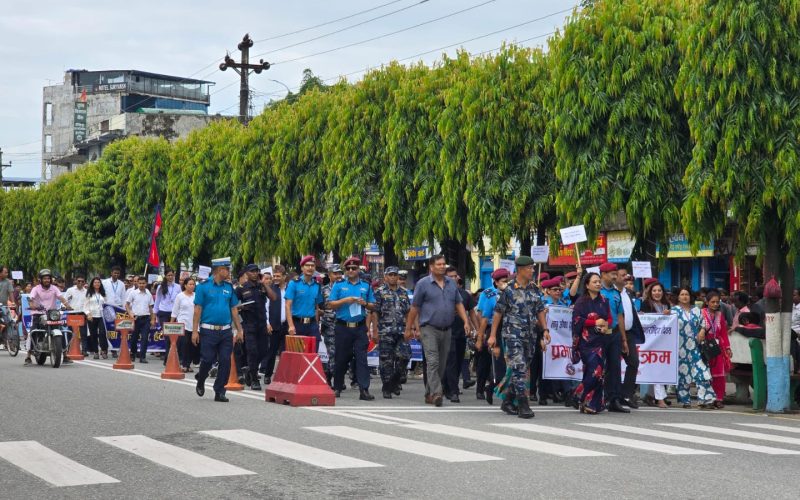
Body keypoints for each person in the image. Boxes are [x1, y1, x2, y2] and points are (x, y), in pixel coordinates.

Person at [404, 254, 471, 407]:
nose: (442, 266)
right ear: (431, 267)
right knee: (433, 361)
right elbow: (415, 307)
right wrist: (409, 328)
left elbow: (458, 304)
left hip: (447, 329)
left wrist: (466, 321)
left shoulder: (451, 284)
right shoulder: (423, 284)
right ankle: (437, 393)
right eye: (439, 264)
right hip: (429, 328)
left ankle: (429, 393)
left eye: (444, 264)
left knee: (442, 364)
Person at [488, 255, 549, 419]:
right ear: (521, 270)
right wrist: (492, 335)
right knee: (519, 368)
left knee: (521, 368)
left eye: (533, 267)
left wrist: (545, 330)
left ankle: (507, 400)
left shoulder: (534, 289)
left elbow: (540, 310)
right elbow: (498, 313)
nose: (532, 271)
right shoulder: (508, 289)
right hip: (512, 335)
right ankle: (523, 404)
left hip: (530, 336)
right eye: (530, 268)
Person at [193, 258, 243, 403]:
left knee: (225, 361)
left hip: (226, 331)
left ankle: (220, 391)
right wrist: (195, 331)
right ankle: (201, 379)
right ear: (218, 270)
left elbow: (234, 309)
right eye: (226, 269)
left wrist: (239, 330)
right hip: (208, 330)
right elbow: (198, 309)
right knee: (207, 359)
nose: (228, 272)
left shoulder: (229, 287)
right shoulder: (203, 287)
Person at [328, 257, 377, 400]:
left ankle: (364, 389)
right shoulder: (339, 285)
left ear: (358, 270)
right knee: (341, 358)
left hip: (360, 327)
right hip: (343, 327)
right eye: (348, 269)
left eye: (354, 268)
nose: (351, 271)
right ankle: (337, 387)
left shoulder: (366, 286)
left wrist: (365, 303)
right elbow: (330, 304)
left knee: (362, 358)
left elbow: (373, 306)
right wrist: (345, 300)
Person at [571, 272, 612, 414]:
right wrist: (594, 322)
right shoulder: (581, 302)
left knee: (599, 373)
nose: (598, 284)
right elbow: (576, 321)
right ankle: (578, 394)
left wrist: (606, 325)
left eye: (599, 281)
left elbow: (609, 318)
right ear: (587, 285)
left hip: (600, 340)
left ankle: (591, 404)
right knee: (595, 371)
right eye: (594, 282)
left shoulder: (604, 300)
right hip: (586, 342)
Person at [671, 287, 716, 408]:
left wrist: (702, 330)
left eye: (687, 294)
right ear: (678, 297)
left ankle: (705, 400)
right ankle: (685, 400)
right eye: (682, 294)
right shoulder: (674, 311)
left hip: (696, 347)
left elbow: (704, 324)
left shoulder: (696, 310)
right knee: (683, 374)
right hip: (680, 348)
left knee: (702, 372)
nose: (685, 296)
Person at [373, 266, 412, 399]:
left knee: (405, 356)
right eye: (390, 275)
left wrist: (411, 328)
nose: (393, 277)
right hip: (385, 331)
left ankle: (395, 381)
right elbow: (375, 312)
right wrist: (375, 330)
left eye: (395, 275)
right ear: (385, 277)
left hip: (401, 330)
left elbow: (408, 312)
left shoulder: (403, 292)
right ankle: (387, 387)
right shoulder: (379, 292)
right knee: (386, 361)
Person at [442, 266, 478, 403]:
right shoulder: (442, 292)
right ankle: (453, 390)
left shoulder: (464, 294)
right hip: (446, 332)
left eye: (455, 276)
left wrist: (477, 329)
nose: (455, 278)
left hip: (461, 333)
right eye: (451, 276)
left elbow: (472, 313)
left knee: (458, 362)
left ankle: (449, 385)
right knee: (450, 360)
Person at [597, 262, 630, 413]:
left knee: (615, 367)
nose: (615, 276)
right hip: (599, 334)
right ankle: (596, 397)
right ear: (603, 274)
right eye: (612, 274)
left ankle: (614, 399)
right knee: (597, 367)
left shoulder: (617, 294)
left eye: (616, 273)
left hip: (615, 334)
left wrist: (624, 339)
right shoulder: (596, 291)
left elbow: (620, 316)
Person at [475, 268, 509, 404]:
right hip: (493, 329)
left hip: (511, 330)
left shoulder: (512, 292)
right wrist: (480, 336)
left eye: (508, 280)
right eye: (504, 281)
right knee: (486, 362)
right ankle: (482, 387)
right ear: (496, 282)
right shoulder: (489, 294)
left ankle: (500, 390)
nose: (507, 283)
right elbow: (482, 315)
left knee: (508, 364)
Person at [24, 269, 72, 365]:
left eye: (48, 278)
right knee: (33, 332)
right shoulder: (36, 289)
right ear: (40, 280)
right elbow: (30, 297)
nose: (47, 280)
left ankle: (65, 355)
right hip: (38, 313)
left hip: (52, 314)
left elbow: (61, 297)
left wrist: (67, 305)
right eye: (45, 278)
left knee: (61, 331)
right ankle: (28, 356)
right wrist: (31, 304)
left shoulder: (54, 288)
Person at [235, 264, 269, 390]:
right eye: (252, 272)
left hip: (262, 324)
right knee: (252, 351)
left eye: (256, 271)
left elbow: (273, 297)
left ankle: (250, 369)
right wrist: (240, 307)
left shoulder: (262, 287)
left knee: (264, 350)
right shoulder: (241, 289)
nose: (255, 273)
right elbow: (233, 305)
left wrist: (264, 284)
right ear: (247, 274)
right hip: (249, 325)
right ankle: (254, 379)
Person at [639, 280, 671, 407]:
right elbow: (646, 320)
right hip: (650, 341)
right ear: (650, 292)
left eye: (659, 291)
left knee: (660, 368)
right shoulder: (646, 304)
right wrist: (660, 316)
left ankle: (651, 395)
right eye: (654, 291)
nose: (657, 293)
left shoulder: (666, 305)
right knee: (655, 368)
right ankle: (660, 398)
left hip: (664, 340)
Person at [616, 267, 644, 409]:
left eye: (626, 275)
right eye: (622, 275)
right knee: (612, 366)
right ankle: (612, 395)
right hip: (615, 333)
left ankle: (626, 394)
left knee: (633, 362)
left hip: (629, 333)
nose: (625, 277)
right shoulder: (612, 294)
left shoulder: (627, 293)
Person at [285, 256, 324, 348]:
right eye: (307, 265)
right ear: (302, 268)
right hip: (297, 324)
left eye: (312, 266)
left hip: (312, 325)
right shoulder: (294, 283)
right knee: (298, 355)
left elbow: (316, 307)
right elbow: (287, 306)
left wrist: (317, 325)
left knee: (313, 354)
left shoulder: (317, 285)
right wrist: (291, 325)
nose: (310, 268)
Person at [702, 290, 732, 408]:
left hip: (717, 347)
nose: (715, 304)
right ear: (707, 302)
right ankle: (707, 397)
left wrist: (727, 348)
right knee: (705, 373)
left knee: (719, 374)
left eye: (717, 302)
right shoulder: (701, 313)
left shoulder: (720, 315)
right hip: (704, 347)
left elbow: (723, 333)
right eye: (712, 302)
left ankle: (718, 398)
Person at [262, 265, 288, 385]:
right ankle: (267, 375)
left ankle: (283, 376)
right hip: (274, 325)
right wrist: (267, 323)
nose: (276, 278)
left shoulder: (289, 289)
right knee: (271, 352)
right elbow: (265, 308)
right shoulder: (271, 289)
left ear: (284, 277)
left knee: (285, 352)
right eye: (275, 276)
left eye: (278, 276)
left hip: (287, 326)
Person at [321, 264, 343, 385]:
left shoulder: (346, 287)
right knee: (333, 353)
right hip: (329, 326)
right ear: (329, 275)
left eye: (340, 273)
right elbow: (318, 306)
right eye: (335, 273)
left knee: (343, 354)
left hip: (343, 326)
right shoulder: (324, 290)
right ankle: (333, 379)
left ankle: (331, 374)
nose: (338, 276)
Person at [125, 276, 156, 363]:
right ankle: (133, 353)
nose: (142, 285)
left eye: (143, 283)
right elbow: (127, 305)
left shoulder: (149, 294)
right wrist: (130, 313)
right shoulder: (133, 293)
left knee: (145, 338)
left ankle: (143, 356)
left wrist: (152, 319)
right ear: (137, 283)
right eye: (140, 283)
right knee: (134, 338)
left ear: (146, 284)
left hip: (146, 319)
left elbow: (151, 307)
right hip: (136, 318)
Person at [154, 268, 181, 365]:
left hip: (174, 313)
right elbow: (157, 302)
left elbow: (180, 300)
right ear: (165, 276)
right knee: (167, 336)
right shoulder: (160, 287)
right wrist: (154, 317)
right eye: (169, 275)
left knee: (175, 336)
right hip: (163, 313)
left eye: (172, 275)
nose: (170, 277)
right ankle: (167, 359)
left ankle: (173, 357)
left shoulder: (178, 287)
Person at [171, 277, 197, 373]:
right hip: (183, 323)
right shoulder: (180, 296)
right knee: (184, 344)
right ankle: (183, 364)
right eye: (190, 284)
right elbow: (175, 310)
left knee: (192, 345)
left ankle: (188, 364)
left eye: (193, 284)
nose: (192, 286)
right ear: (185, 285)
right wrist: (172, 322)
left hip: (194, 324)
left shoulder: (196, 296)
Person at [83, 277, 108, 359]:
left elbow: (106, 305)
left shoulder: (103, 293)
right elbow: (85, 307)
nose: (97, 284)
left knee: (102, 333)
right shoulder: (89, 293)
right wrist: (88, 314)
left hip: (101, 316)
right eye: (95, 282)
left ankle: (104, 351)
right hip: (92, 316)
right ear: (92, 284)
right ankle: (96, 352)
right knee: (93, 334)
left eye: (98, 282)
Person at [64, 275, 89, 355]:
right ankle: (69, 348)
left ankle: (84, 350)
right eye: (79, 281)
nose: (80, 283)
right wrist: (67, 307)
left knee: (83, 333)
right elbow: (65, 301)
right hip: (72, 313)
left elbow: (87, 304)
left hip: (82, 313)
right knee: (70, 332)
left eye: (82, 281)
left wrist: (88, 313)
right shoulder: (70, 290)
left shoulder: (86, 291)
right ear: (75, 281)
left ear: (85, 282)